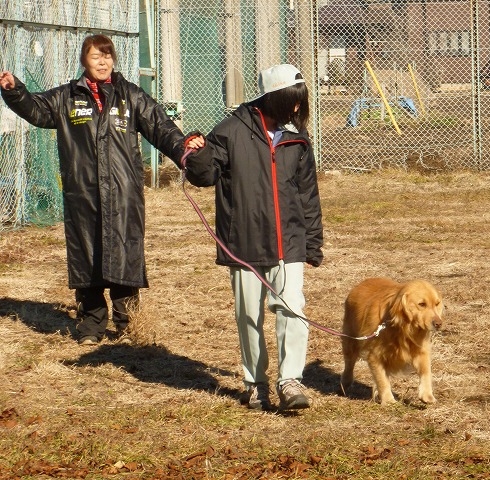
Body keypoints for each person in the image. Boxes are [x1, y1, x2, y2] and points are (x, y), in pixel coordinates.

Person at [0, 34, 186, 345]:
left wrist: (184, 151)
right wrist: (15, 91)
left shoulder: (130, 97)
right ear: (84, 61)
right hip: (83, 194)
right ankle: (91, 325)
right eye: (95, 56)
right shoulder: (67, 97)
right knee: (88, 256)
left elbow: (160, 126)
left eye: (107, 55)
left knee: (125, 254)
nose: (102, 62)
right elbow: (36, 109)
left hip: (123, 194)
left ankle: (128, 324)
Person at [184, 64, 323, 411]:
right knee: (249, 315)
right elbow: (204, 176)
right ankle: (255, 384)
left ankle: (290, 381)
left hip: (288, 241)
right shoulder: (230, 132)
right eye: (291, 101)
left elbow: (308, 195)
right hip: (244, 241)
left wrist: (312, 242)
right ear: (272, 98)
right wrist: (199, 152)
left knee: (293, 309)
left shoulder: (297, 140)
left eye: (299, 102)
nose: (296, 108)